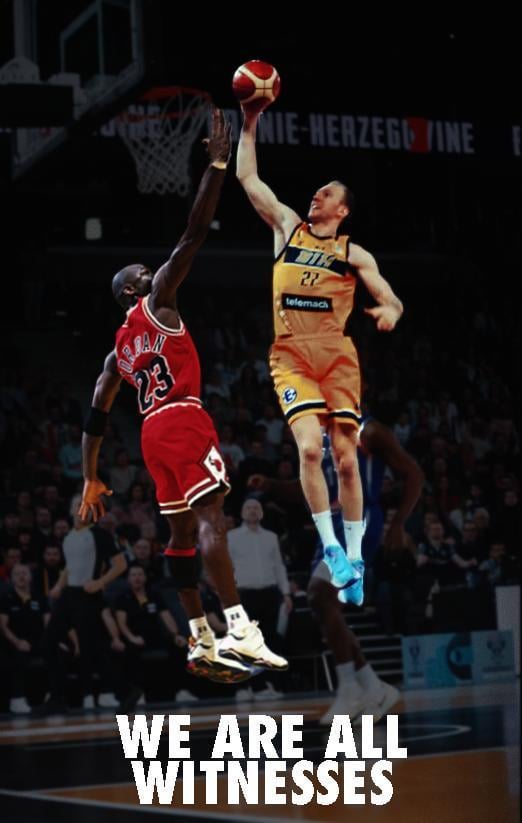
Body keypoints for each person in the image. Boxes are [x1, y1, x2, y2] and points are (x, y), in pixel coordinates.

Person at [80, 109, 286, 686]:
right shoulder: (159, 302)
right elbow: (193, 233)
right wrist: (216, 167)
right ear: (133, 289)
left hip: (150, 433)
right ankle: (240, 627)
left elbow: (96, 415)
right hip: (182, 418)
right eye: (144, 271)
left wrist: (90, 477)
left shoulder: (116, 354)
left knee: (179, 536)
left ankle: (199, 636)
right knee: (212, 516)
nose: (154, 271)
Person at [236, 105, 403, 605]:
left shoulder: (353, 253)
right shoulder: (288, 227)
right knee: (310, 449)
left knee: (347, 460)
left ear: (343, 210)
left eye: (327, 193)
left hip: (336, 357)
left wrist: (390, 310)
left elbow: (390, 297)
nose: (317, 195)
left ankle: (356, 560)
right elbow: (248, 178)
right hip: (291, 355)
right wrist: (249, 121)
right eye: (316, 191)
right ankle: (331, 548)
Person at [249, 416, 423, 723]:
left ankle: (349, 690)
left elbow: (414, 474)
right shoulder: (314, 438)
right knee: (323, 605)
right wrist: (271, 485)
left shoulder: (368, 430)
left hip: (359, 520)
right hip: (329, 527)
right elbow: (304, 487)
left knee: (319, 593)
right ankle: (373, 686)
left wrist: (398, 524)